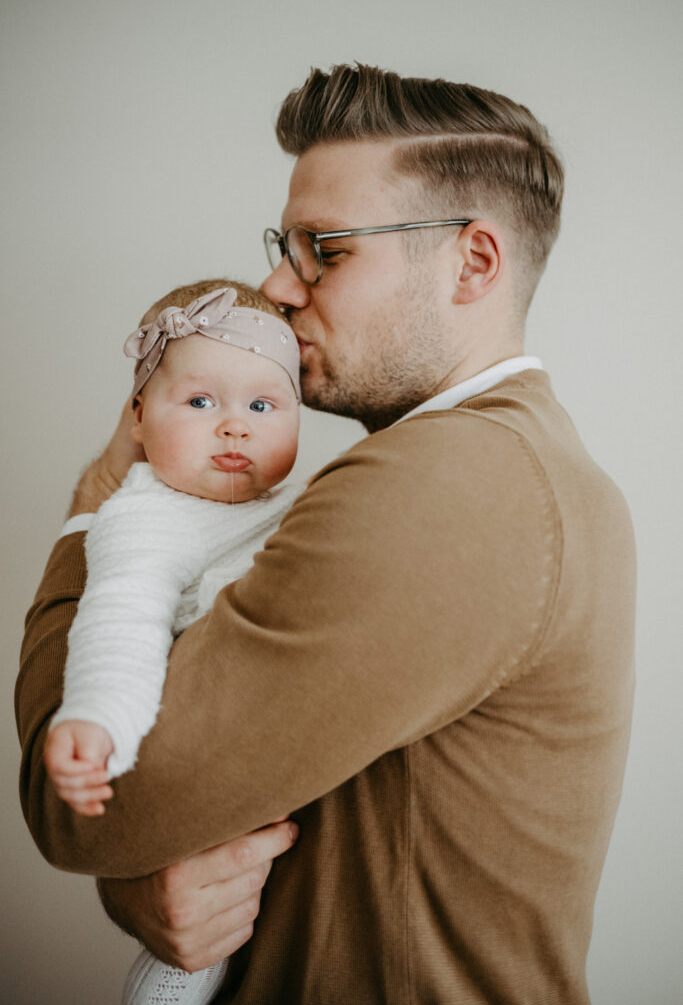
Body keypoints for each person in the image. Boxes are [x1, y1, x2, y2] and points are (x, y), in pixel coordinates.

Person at [17, 64, 636, 1004]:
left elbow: (93, 812)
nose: (277, 283)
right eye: (284, 244)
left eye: (326, 250)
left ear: (474, 261)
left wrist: (102, 500)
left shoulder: (445, 482)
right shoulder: (528, 463)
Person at [42, 278, 302, 1005]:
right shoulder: (144, 516)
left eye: (262, 405)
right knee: (197, 936)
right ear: (137, 416)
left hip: (279, 753)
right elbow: (120, 619)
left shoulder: (306, 507)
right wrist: (95, 723)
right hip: (192, 754)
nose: (234, 426)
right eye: (199, 402)